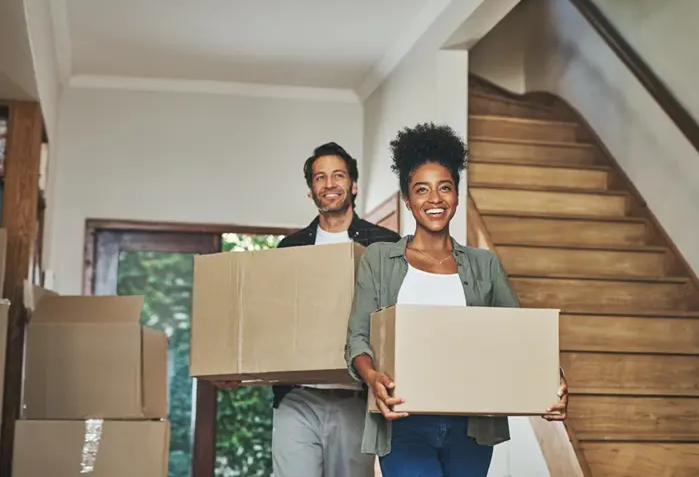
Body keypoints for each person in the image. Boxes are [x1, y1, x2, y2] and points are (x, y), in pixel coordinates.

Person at [345, 123, 568, 477]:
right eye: (422, 189)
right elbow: (358, 337)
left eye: (444, 187)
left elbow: (520, 336)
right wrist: (372, 376)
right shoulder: (379, 260)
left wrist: (552, 378)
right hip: (404, 421)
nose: (434, 199)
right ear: (407, 200)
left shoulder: (484, 265)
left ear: (457, 196)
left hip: (472, 427)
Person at [216, 142, 400, 477]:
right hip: (297, 397)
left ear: (353, 185)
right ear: (311, 191)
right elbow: (270, 319)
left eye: (338, 175)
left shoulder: (385, 244)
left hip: (356, 397)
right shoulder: (290, 248)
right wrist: (238, 367)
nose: (330, 184)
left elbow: (397, 317)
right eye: (320, 177)